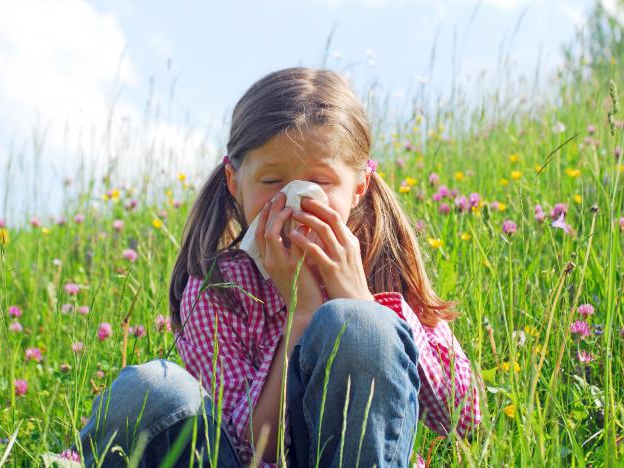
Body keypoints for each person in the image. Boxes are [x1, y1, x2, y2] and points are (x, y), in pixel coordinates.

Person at [77, 67, 483, 468]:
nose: (293, 199)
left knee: (358, 324)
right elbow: (252, 449)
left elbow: (462, 417)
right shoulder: (219, 289)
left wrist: (361, 300)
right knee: (148, 391)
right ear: (235, 183)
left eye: (320, 182)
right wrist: (301, 313)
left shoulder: (381, 267)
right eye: (272, 181)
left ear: (360, 187)